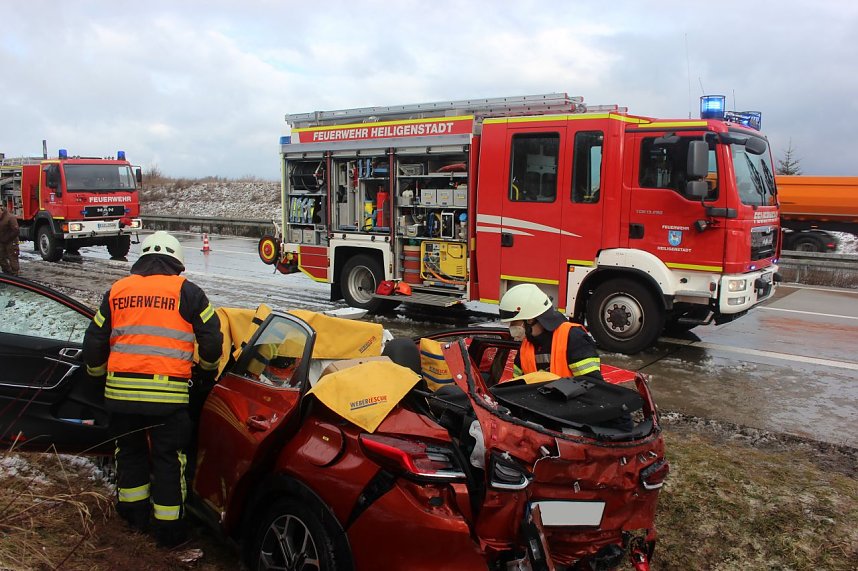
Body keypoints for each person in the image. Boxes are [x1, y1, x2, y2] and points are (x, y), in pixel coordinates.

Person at [83, 231, 222, 548]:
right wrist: (207, 371)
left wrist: (96, 376)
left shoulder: (117, 291)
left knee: (128, 452)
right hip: (167, 398)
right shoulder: (189, 293)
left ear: (141, 259)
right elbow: (212, 341)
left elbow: (93, 342)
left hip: (121, 397)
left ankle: (133, 520)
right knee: (169, 459)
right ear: (176, 262)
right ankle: (169, 533)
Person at [498, 283, 602, 380]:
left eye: (514, 323)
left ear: (530, 319)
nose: (511, 327)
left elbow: (593, 387)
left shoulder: (574, 338)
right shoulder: (527, 345)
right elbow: (516, 387)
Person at [0, 204, 20, 276]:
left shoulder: (10, 217)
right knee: (1, 258)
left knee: (13, 258)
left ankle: (15, 274)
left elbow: (16, 230)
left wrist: (7, 238)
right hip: (2, 241)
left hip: (11, 241)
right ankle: (7, 273)